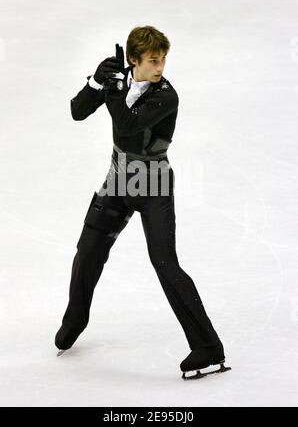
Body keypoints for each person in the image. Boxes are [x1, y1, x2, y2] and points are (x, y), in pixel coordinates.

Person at [55, 25, 230, 379]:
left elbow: (127, 125)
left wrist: (115, 90)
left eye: (164, 58)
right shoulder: (121, 82)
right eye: (153, 60)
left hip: (153, 187)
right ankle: (75, 321)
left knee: (165, 263)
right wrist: (95, 82)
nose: (160, 66)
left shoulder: (167, 95)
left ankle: (208, 347)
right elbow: (77, 111)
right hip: (118, 181)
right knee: (88, 250)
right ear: (134, 60)